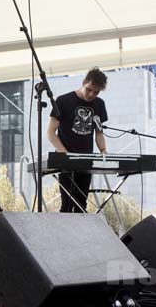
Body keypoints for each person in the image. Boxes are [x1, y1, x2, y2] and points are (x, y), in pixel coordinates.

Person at [47, 68, 108, 213]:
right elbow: (50, 133)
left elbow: (99, 133)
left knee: (81, 205)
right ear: (83, 82)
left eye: (96, 92)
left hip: (86, 160)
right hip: (66, 161)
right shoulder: (63, 101)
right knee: (67, 205)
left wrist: (103, 151)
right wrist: (66, 155)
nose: (91, 95)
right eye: (89, 90)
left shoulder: (99, 104)